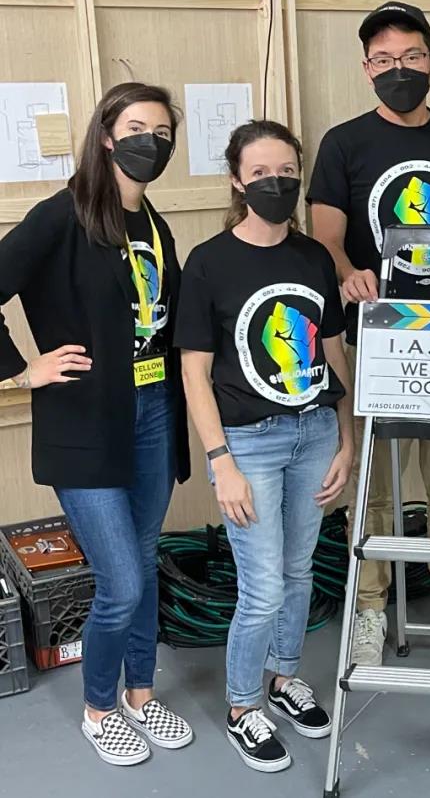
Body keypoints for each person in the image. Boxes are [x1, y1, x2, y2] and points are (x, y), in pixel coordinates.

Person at [0, 83, 192, 765]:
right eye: (137, 128)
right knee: (123, 581)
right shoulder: (63, 214)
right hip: (85, 423)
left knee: (143, 561)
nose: (151, 143)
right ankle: (99, 708)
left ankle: (141, 693)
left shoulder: (154, 224)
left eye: (162, 133)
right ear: (106, 136)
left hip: (153, 412)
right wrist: (23, 371)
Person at [307, 0, 430, 670]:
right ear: (366, 69)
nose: (399, 70)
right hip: (378, 340)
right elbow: (326, 238)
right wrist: (348, 272)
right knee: (375, 485)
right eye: (384, 60)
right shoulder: (343, 144)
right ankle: (369, 608)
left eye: (411, 57)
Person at [177, 120, 354, 771]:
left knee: (298, 571)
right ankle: (242, 705)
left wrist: (346, 437)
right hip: (248, 444)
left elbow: (332, 349)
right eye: (260, 173)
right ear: (236, 181)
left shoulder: (313, 258)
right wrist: (220, 462)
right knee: (262, 587)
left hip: (315, 432)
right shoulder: (208, 263)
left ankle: (284, 677)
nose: (274, 183)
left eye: (285, 172)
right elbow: (194, 372)